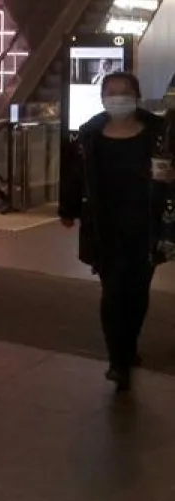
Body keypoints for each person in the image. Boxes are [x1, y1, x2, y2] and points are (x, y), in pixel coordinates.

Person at [60, 73, 170, 391]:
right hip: (105, 228)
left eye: (125, 91)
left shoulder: (159, 133)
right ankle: (117, 361)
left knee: (137, 292)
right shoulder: (89, 135)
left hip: (146, 228)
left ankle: (129, 345)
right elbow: (75, 175)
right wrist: (68, 209)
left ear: (137, 95)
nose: (118, 98)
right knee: (112, 293)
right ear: (102, 97)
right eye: (111, 92)